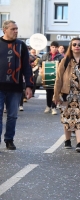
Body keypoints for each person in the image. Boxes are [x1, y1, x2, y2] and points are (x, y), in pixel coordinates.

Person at [53, 37, 80, 152]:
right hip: (66, 94)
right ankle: (67, 140)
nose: (77, 46)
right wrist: (56, 95)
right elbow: (59, 79)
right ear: (71, 47)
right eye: (74, 44)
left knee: (79, 119)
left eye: (79, 44)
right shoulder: (65, 61)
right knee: (67, 118)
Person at [0, 20, 33, 150]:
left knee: (12, 115)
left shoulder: (21, 45)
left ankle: (9, 139)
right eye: (13, 29)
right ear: (5, 30)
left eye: (16, 29)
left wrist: (29, 86)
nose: (16, 31)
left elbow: (27, 67)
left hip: (15, 86)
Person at [38, 41, 64, 115]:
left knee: (55, 93)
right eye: (53, 47)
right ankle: (48, 106)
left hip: (57, 78)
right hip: (47, 78)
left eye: (56, 47)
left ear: (57, 48)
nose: (54, 49)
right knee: (48, 92)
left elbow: (64, 66)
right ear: (50, 47)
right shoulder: (45, 55)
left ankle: (54, 107)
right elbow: (40, 63)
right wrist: (41, 69)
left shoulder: (60, 57)